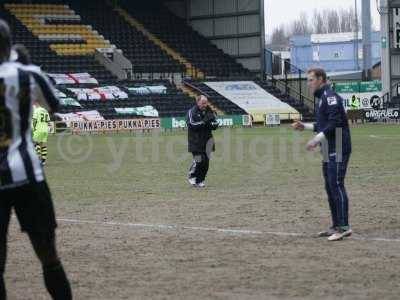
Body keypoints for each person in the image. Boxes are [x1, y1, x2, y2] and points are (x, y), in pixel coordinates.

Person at [0, 20, 72, 299]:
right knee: (49, 256)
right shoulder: (26, 72)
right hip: (28, 176)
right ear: (8, 45)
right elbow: (54, 104)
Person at [292, 67, 352, 241]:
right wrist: (306, 126)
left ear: (321, 79)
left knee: (336, 183)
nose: (308, 83)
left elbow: (335, 123)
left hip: (339, 143)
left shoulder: (330, 96)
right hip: (329, 145)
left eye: (311, 79)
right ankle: (336, 225)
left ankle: (344, 226)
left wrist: (316, 139)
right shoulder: (321, 99)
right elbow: (323, 125)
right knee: (330, 186)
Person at [186, 95, 219, 188]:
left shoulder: (209, 111)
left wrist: (212, 124)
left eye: (206, 102)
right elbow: (192, 125)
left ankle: (200, 180)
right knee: (199, 161)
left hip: (208, 141)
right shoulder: (192, 112)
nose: (205, 104)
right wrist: (205, 121)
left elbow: (215, 124)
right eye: (203, 103)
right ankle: (192, 175)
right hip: (195, 141)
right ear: (198, 102)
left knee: (206, 163)